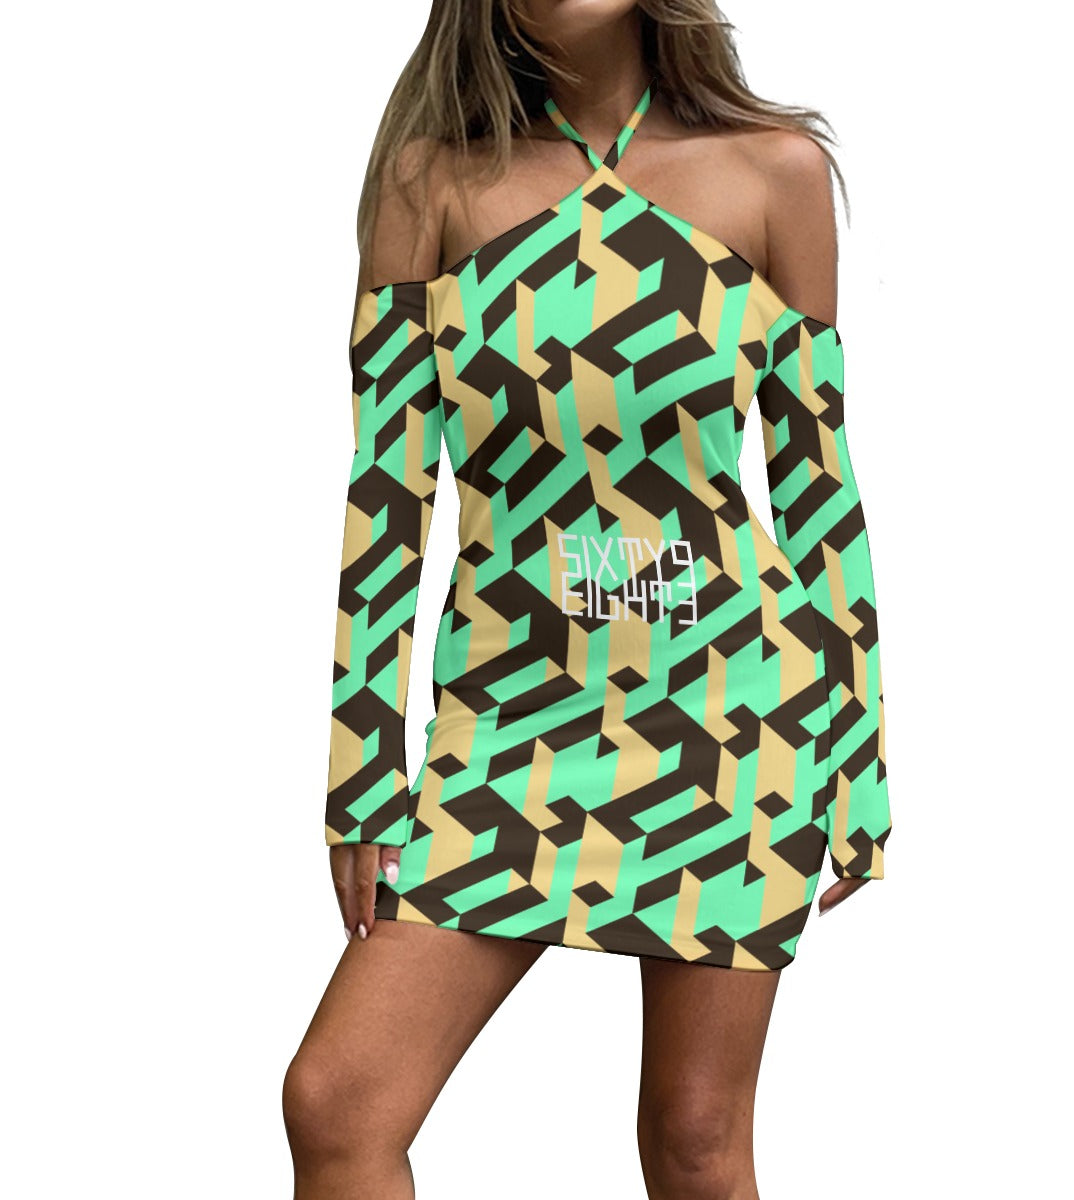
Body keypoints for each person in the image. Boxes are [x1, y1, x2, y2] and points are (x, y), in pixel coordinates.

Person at [284, 2, 893, 1196]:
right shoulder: (429, 184)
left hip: (731, 715)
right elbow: (386, 497)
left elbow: (817, 495)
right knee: (338, 1102)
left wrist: (860, 762)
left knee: (696, 1139)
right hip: (509, 717)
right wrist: (363, 768)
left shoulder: (776, 174)